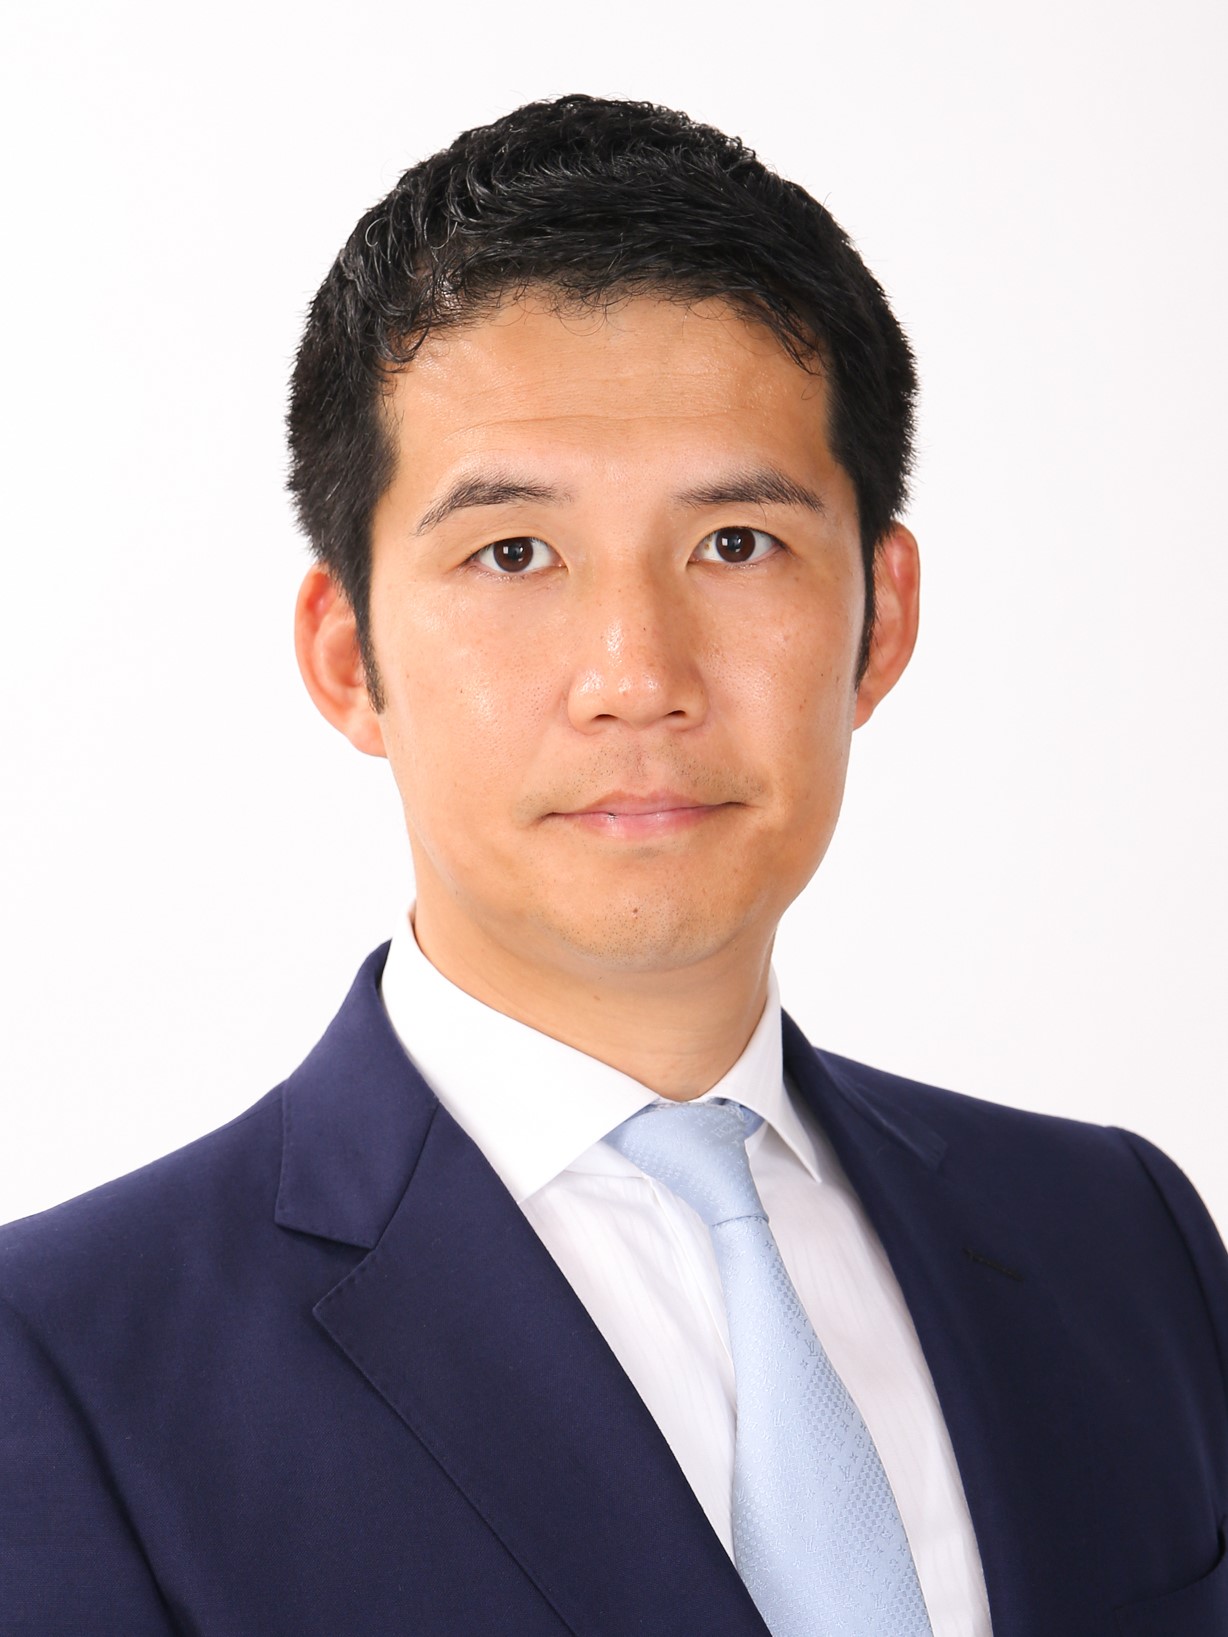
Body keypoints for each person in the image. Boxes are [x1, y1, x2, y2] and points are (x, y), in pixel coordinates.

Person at [1, 94, 1225, 1637]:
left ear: (882, 619)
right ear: (348, 655)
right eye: (513, 553)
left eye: (737, 543)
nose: (637, 675)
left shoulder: (1124, 1245)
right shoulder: (64, 1367)